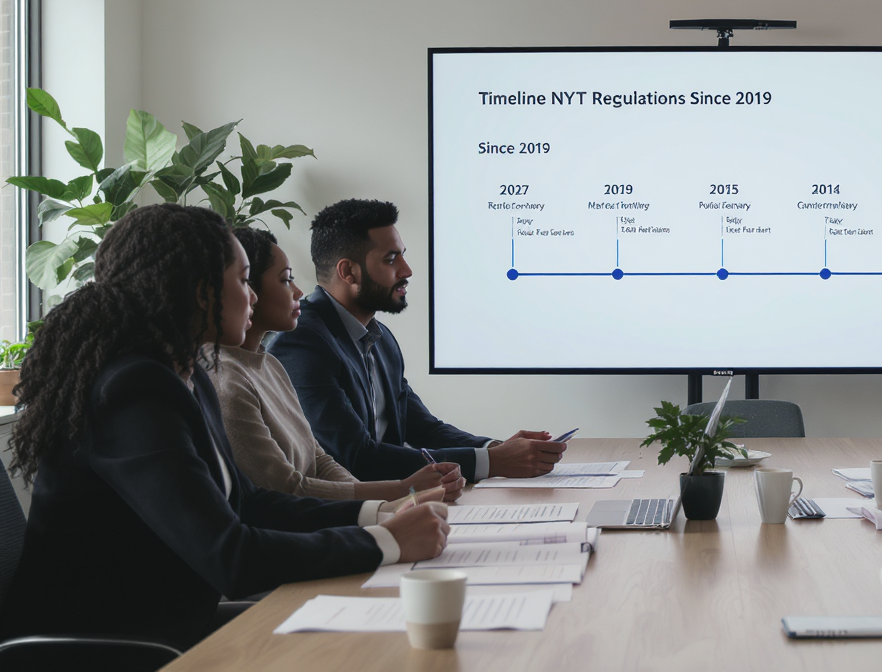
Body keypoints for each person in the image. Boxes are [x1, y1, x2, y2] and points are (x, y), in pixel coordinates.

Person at [0, 205, 450, 649]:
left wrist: (379, 513)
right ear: (203, 293)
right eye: (242, 280)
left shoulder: (190, 375)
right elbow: (230, 558)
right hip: (102, 645)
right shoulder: (132, 391)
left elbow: (251, 505)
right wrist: (384, 542)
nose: (252, 296)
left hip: (170, 623)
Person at [269, 199, 565, 482]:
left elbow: (424, 428)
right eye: (391, 259)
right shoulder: (302, 343)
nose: (407, 270)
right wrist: (493, 462)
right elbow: (356, 458)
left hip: (398, 500)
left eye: (402, 255)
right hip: (352, 511)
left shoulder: (380, 339)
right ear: (348, 272)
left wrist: (494, 448)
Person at [208, 226, 465, 502]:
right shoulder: (230, 379)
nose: (298, 291)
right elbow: (286, 489)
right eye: (285, 280)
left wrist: (378, 508)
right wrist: (403, 492)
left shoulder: (269, 364)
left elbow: (320, 460)